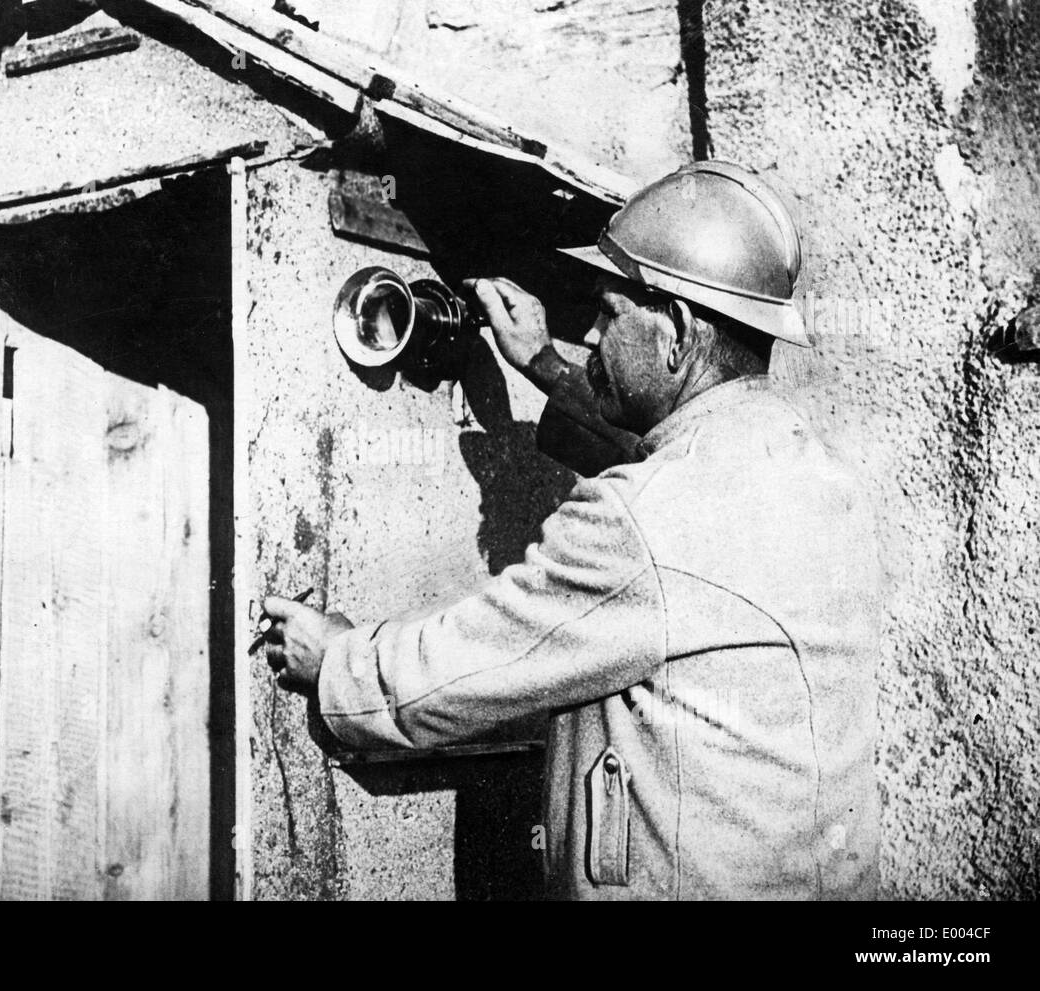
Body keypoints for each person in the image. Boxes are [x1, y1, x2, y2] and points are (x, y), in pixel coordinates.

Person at [260, 161, 882, 899]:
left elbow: (463, 665)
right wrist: (545, 365)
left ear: (677, 331)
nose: (589, 332)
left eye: (608, 313)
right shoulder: (813, 472)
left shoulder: (643, 521)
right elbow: (675, 471)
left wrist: (335, 659)